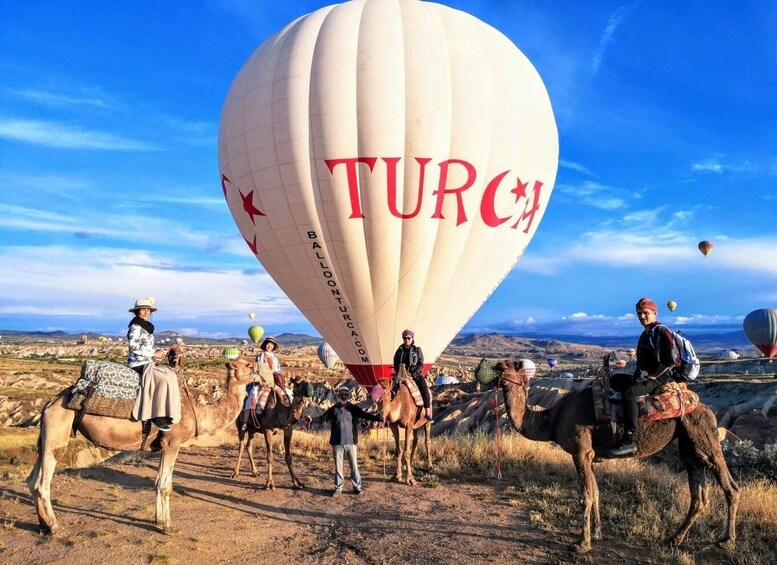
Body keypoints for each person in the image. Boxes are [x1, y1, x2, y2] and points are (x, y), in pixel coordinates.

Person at [606, 297, 679, 457]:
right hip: (645, 376)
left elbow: (672, 360)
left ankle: (629, 438)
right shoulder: (646, 334)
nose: (642, 317)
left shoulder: (661, 331)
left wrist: (653, 376)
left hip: (660, 378)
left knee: (629, 392)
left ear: (654, 313)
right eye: (639, 313)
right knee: (614, 379)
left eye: (646, 313)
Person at [305, 386, 382, 496]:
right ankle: (338, 488)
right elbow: (322, 419)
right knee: (338, 466)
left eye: (345, 394)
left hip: (351, 442)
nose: (343, 396)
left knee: (354, 465)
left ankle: (357, 487)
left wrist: (379, 418)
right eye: (341, 394)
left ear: (349, 395)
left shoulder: (354, 408)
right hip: (337, 443)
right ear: (338, 396)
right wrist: (311, 419)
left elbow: (366, 415)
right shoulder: (333, 409)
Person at [127, 297, 180, 432]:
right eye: (142, 310)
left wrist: (158, 351)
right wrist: (152, 354)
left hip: (147, 361)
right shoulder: (135, 327)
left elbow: (145, 346)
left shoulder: (145, 326)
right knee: (162, 380)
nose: (145, 312)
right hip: (138, 363)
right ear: (137, 312)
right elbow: (134, 347)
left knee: (170, 375)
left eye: (148, 310)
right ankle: (155, 415)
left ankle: (168, 411)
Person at [240, 336, 285, 431]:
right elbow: (257, 370)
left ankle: (282, 420)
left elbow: (278, 371)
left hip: (273, 382)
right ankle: (246, 421)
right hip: (261, 381)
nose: (270, 346)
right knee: (253, 395)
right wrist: (261, 380)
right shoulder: (260, 356)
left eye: (272, 345)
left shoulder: (275, 357)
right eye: (268, 344)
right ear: (265, 345)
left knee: (286, 395)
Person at [393, 329, 433, 423]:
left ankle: (427, 412)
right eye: (404, 338)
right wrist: (400, 372)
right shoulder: (399, 351)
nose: (406, 340)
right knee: (390, 391)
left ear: (412, 338)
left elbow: (420, 363)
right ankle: (388, 412)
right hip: (402, 375)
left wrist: (413, 374)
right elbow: (395, 364)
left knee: (424, 389)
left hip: (416, 375)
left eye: (408, 338)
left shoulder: (417, 350)